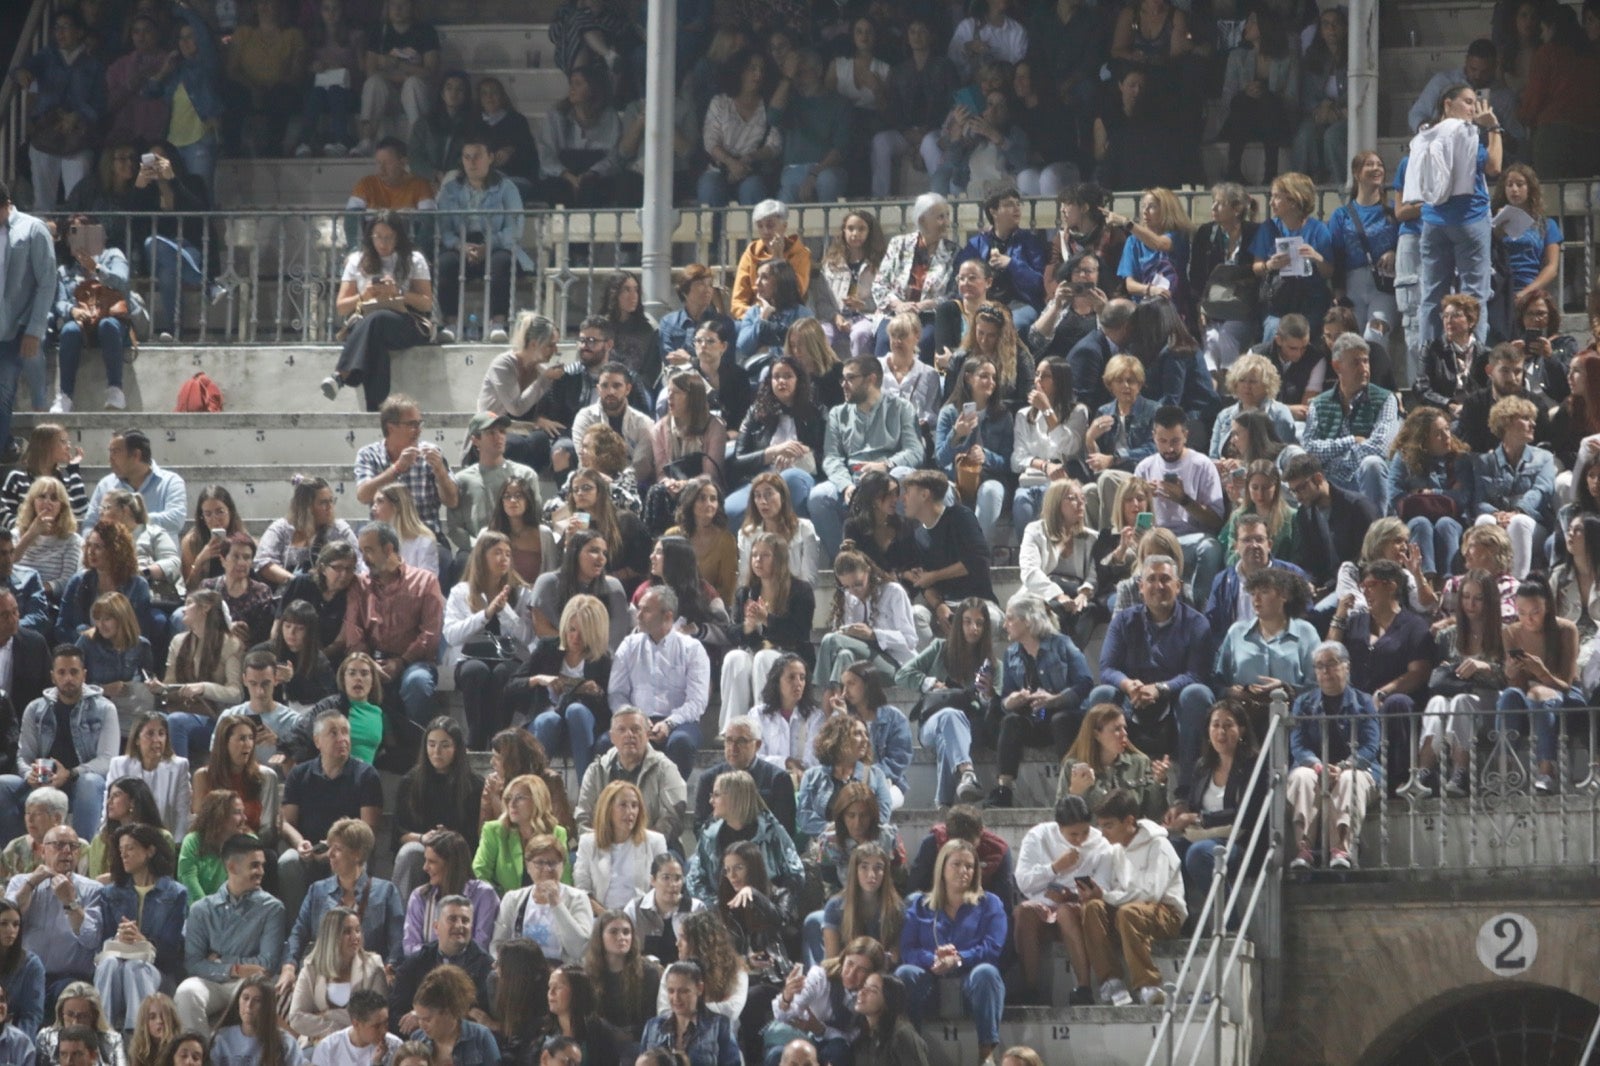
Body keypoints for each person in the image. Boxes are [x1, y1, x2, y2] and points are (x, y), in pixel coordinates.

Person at [1088, 555, 1214, 774]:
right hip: (1132, 699)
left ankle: (1187, 789)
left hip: (1176, 699)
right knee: (1101, 694)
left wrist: (1160, 688)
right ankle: (1108, 780)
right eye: (1152, 579)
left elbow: (1196, 673)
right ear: (1141, 587)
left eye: (1165, 579)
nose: (1158, 586)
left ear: (1178, 586)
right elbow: (1107, 668)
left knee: (1197, 693)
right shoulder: (1123, 621)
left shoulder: (1196, 623)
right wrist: (1128, 685)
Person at [893, 839, 1005, 1060]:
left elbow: (993, 948)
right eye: (956, 864)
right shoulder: (919, 905)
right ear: (942, 867)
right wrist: (933, 959)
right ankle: (911, 1052)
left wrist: (958, 959)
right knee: (904, 974)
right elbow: (908, 949)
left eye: (969, 866)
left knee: (987, 973)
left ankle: (987, 1053)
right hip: (930, 979)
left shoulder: (990, 903)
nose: (963, 871)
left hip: (971, 983)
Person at [0, 645, 118, 846]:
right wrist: (30, 774)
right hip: (43, 783)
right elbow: (23, 756)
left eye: (74, 672)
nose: (68, 678)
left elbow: (108, 760)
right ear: (53, 676)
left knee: (89, 782)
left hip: (80, 783)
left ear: (84, 675)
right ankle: (15, 856)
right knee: (3, 784)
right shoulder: (35, 709)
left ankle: (80, 854)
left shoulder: (104, 709)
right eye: (62, 672)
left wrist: (71, 773)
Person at [1415, 83, 1503, 350]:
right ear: (1447, 104)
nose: (1472, 108)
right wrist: (1494, 127)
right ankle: (1475, 363)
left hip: (1433, 220)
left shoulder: (1425, 134)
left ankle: (1427, 364)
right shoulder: (1465, 133)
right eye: (1466, 101)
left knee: (1431, 295)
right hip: (1469, 219)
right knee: (1474, 295)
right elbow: (1494, 166)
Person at [278, 712, 384, 926]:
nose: (342, 739)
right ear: (317, 741)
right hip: (309, 849)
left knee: (342, 861)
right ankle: (296, 930)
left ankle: (337, 932)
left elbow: (368, 828)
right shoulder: (299, 774)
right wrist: (300, 844)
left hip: (348, 850)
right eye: (333, 733)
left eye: (345, 732)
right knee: (288, 861)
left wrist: (334, 849)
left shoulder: (366, 775)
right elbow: (286, 822)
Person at [324, 211, 434, 412]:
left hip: (404, 321)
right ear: (370, 237)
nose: (383, 243)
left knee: (377, 320)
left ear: (398, 237)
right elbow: (342, 306)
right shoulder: (357, 260)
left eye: (389, 237)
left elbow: (426, 303)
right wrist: (364, 295)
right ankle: (376, 409)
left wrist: (399, 292)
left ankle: (342, 375)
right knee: (375, 337)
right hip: (367, 321)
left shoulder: (413, 259)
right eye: (378, 237)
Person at [174, 834, 285, 1034]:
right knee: (187, 991)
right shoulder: (201, 909)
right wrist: (235, 968)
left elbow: (266, 964)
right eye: (254, 866)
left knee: (253, 993)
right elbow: (193, 963)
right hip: (213, 982)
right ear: (232, 867)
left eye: (262, 865)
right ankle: (201, 1055)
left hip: (248, 983)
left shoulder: (272, 908)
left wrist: (221, 961)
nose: (261, 871)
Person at [340, 521, 443, 730]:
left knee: (417, 682)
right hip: (371, 659)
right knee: (354, 675)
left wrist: (401, 662)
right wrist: (369, 663)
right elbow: (354, 632)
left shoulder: (425, 581)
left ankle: (419, 748)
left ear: (388, 549)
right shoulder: (359, 585)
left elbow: (430, 634)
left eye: (368, 550)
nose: (364, 558)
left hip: (414, 662)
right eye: (361, 551)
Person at [1012, 794, 1112, 1007]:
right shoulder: (1038, 836)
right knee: (1023, 911)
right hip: (1043, 906)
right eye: (1073, 834)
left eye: (1084, 832)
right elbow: (1023, 881)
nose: (1080, 839)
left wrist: (1073, 896)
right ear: (1059, 827)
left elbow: (1104, 887)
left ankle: (1084, 988)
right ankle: (1030, 989)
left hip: (1078, 910)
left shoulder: (1101, 844)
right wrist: (1055, 867)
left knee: (1066, 911)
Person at [1288, 642, 1381, 870]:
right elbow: (1298, 745)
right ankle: (1304, 849)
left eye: (1331, 664)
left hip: (1358, 768)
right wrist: (1318, 766)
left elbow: (1371, 745)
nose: (1325, 671)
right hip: (1315, 769)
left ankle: (1341, 849)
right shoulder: (1304, 703)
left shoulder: (1364, 701)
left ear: (1346, 667)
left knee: (1350, 779)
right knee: (1301, 776)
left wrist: (1344, 766)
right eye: (1319, 666)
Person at [281, 816, 404, 985]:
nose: (330, 854)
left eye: (337, 849)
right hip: (324, 977)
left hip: (367, 979)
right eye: (329, 847)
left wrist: (389, 970)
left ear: (357, 854)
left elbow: (397, 940)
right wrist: (288, 968)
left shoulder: (386, 892)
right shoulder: (317, 890)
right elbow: (298, 933)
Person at [606, 587, 710, 781]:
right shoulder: (629, 645)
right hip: (636, 719)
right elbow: (616, 693)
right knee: (605, 742)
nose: (638, 615)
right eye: (639, 609)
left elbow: (697, 701)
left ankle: (671, 805)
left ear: (667, 616)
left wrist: (669, 724)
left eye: (646, 610)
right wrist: (635, 720)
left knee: (682, 742)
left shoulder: (692, 649)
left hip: (679, 722)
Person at [1420, 569, 1505, 799]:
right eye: (1466, 597)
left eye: (1478, 598)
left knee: (1462, 701)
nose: (1471, 604)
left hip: (1488, 700)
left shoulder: (1502, 635)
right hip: (1452, 698)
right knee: (1437, 701)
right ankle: (1424, 772)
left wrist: (1483, 667)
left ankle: (1461, 772)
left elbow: (1509, 678)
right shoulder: (1448, 635)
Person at [1498, 576, 1583, 795]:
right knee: (1508, 696)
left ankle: (1546, 770)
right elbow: (1516, 685)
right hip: (1527, 694)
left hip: (1560, 694)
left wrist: (1541, 672)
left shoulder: (1566, 629)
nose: (1529, 619)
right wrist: (1511, 673)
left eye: (1535, 612)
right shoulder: (1511, 632)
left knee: (1537, 693)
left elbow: (1567, 682)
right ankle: (1505, 770)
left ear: (1547, 607)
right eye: (1522, 612)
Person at [5, 824, 101, 1008]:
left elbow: (91, 939)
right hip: (25, 973)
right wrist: (31, 883)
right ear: (43, 851)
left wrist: (70, 903)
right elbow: (6, 922)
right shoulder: (20, 882)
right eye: (59, 845)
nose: (67, 851)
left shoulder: (93, 890)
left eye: (73, 846)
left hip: (70, 978)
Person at [1471, 396, 1555, 580]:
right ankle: (1484, 583)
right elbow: (1479, 500)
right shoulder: (1484, 462)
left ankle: (1517, 587)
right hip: (1499, 520)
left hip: (1532, 525)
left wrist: (1518, 511)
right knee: (1484, 520)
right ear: (1506, 423)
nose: (1532, 424)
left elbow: (1542, 490)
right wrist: (1496, 514)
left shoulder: (1544, 458)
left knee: (1519, 523)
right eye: (1525, 418)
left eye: (1533, 419)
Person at [575, 708, 688, 844]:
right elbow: (583, 817)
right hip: (604, 846)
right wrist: (603, 845)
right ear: (612, 737)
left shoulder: (666, 768)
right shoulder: (596, 770)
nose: (629, 734)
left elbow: (673, 818)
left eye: (636, 729)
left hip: (654, 846)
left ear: (647, 735)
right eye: (621, 730)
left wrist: (638, 845)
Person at [353, 395, 458, 542]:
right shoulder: (369, 454)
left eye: (419, 424)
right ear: (391, 427)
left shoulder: (431, 453)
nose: (418, 430)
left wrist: (440, 472)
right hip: (385, 542)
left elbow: (452, 501)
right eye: (412, 425)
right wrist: (396, 468)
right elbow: (363, 495)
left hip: (426, 538)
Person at [871, 193, 958, 359]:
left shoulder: (953, 251)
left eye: (947, 216)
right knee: (886, 340)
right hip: (894, 313)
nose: (946, 222)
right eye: (940, 217)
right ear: (922, 220)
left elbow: (953, 294)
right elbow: (879, 284)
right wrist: (898, 305)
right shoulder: (899, 244)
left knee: (924, 341)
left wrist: (925, 305)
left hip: (929, 315)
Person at [388, 899, 492, 1037]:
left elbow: (479, 1015)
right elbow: (396, 1014)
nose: (459, 925)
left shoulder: (486, 966)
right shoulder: (415, 963)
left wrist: (422, 1017)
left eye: (465, 920)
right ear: (436, 927)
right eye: (452, 919)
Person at [489, 835, 593, 966]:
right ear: (528, 866)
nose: (547, 869)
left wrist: (556, 903)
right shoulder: (513, 899)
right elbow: (498, 945)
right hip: (521, 972)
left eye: (553, 863)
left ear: (563, 866)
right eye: (539, 863)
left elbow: (579, 950)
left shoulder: (578, 898)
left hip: (562, 973)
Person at [356, 0, 439, 150]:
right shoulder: (378, 31)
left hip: (417, 93)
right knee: (373, 83)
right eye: (393, 4)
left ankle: (419, 143)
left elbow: (430, 72)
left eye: (404, 4)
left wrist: (397, 65)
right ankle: (367, 140)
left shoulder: (426, 31)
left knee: (413, 83)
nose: (398, 9)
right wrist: (405, 75)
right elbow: (371, 72)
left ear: (412, 6)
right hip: (388, 96)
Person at [794, 716, 892, 843]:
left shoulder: (876, 775)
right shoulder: (812, 777)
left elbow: (883, 815)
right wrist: (830, 829)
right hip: (826, 850)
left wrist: (850, 830)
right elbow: (804, 817)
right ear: (839, 739)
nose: (865, 739)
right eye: (857, 734)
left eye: (866, 734)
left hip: (862, 853)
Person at [640, 961, 741, 1066]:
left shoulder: (719, 1026)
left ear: (699, 989)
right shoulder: (653, 1026)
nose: (676, 998)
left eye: (684, 991)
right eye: (671, 991)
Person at [624, 854, 705, 971]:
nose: (673, 885)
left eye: (677, 878)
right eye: (666, 878)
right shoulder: (634, 908)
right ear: (653, 880)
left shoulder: (695, 908)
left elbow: (704, 950)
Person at [406, 963, 500, 1062]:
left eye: (427, 1019)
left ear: (447, 1013)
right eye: (418, 1018)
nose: (422, 1025)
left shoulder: (480, 1037)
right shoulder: (417, 1039)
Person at [308, 988, 402, 1066]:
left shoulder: (394, 1046)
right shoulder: (328, 1048)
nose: (384, 1030)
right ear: (356, 1024)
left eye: (386, 1023)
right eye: (377, 1026)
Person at [0, 897, 44, 1040]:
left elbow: (31, 1016)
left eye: (16, 924)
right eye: (3, 924)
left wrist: (15, 1043)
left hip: (14, 1037)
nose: (11, 930)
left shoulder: (31, 965)